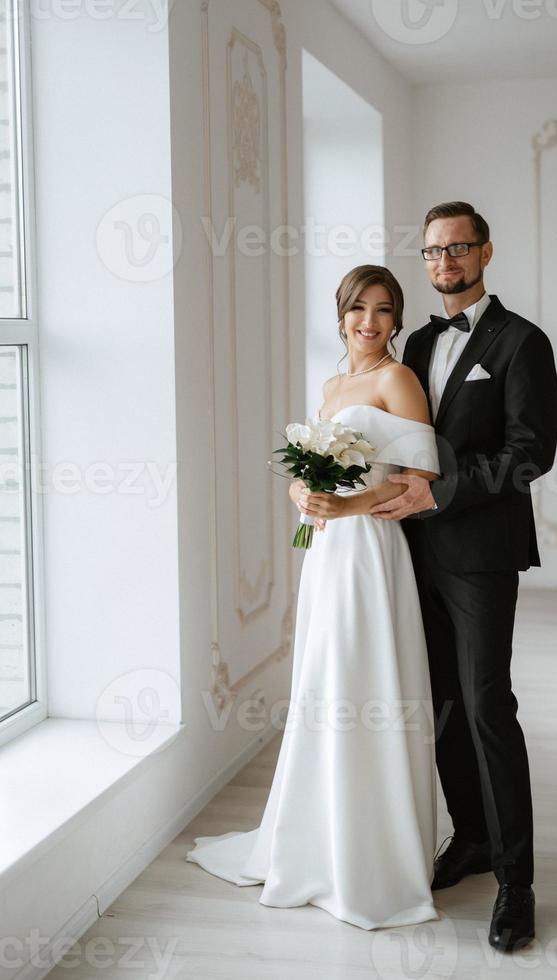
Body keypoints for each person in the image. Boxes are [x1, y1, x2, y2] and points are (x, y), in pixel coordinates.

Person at [186, 265, 443, 931]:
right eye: (359, 308)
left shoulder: (398, 380)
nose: (370, 321)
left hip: (371, 554)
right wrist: (301, 496)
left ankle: (373, 852)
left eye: (384, 310)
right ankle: (317, 837)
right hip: (325, 553)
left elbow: (419, 480)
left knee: (366, 681)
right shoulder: (332, 386)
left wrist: (350, 502)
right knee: (324, 683)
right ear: (340, 315)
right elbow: (310, 477)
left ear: (396, 320)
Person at [369, 201, 557, 952]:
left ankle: (517, 884)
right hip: (413, 552)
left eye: (457, 248)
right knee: (442, 704)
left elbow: (529, 453)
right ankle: (473, 838)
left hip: (481, 554)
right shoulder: (415, 341)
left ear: (485, 252)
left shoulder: (523, 343)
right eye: (432, 252)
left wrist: (440, 493)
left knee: (486, 706)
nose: (443, 261)